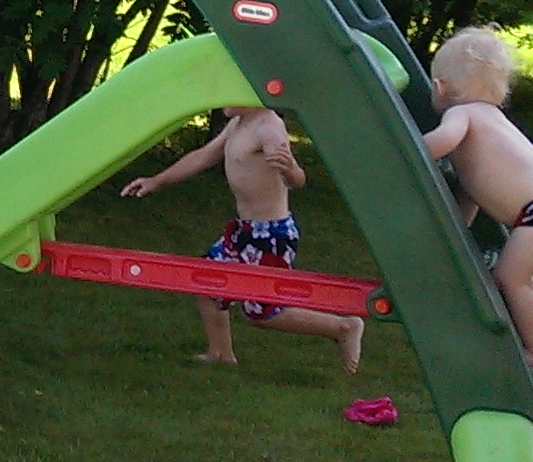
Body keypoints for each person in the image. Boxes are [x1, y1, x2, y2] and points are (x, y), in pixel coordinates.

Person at [121, 106, 365, 373]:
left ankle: (343, 327)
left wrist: (291, 169)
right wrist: (157, 181)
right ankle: (220, 354)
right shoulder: (238, 122)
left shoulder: (268, 127)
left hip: (271, 236)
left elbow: (297, 180)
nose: (223, 101)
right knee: (206, 281)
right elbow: (204, 156)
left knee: (263, 313)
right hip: (244, 230)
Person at [421, 26, 533, 368]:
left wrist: (411, 150)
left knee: (509, 277)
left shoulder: (462, 113)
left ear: (440, 87)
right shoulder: (492, 121)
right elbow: (472, 194)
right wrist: (457, 230)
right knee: (519, 277)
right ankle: (530, 334)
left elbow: (444, 139)